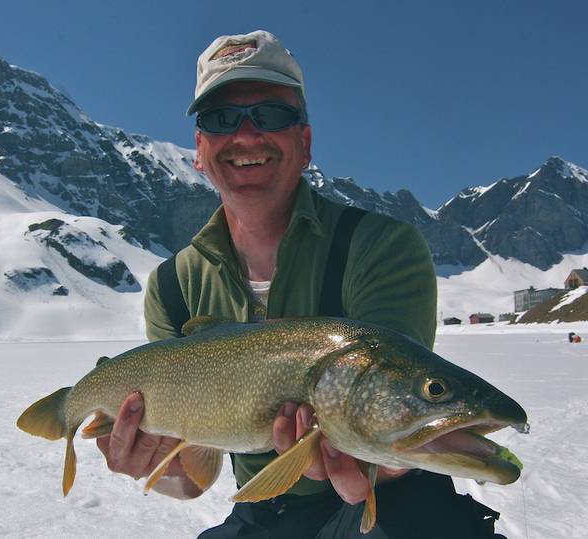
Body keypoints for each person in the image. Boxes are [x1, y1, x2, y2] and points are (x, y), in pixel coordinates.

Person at [96, 30, 504, 538]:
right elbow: (190, 478)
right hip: (263, 514)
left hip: (387, 502)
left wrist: (377, 474)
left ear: (305, 142)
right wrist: (147, 462)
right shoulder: (173, 286)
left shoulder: (379, 247)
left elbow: (393, 403)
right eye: (221, 119)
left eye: (271, 114)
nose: (247, 135)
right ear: (199, 150)